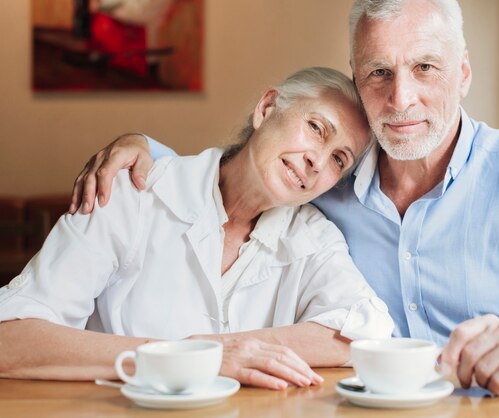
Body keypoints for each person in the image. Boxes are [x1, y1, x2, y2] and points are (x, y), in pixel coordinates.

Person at [68, 0, 499, 395]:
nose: (400, 97)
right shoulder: (329, 177)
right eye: (378, 73)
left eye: (425, 68)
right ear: (357, 81)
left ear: (462, 73)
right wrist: (145, 147)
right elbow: (244, 171)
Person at [0, 67, 394, 390]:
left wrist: (216, 348)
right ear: (267, 108)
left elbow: (364, 331)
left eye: (339, 160)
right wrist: (187, 359)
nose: (317, 160)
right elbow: (10, 338)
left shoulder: (314, 236)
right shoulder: (130, 192)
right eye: (315, 128)